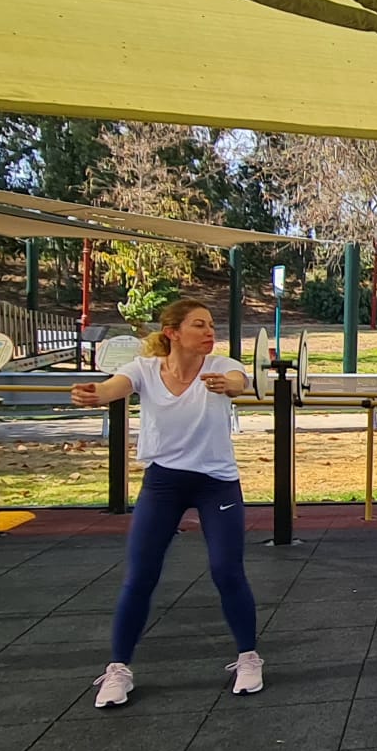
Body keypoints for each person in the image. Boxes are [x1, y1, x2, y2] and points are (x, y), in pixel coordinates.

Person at [74, 299, 263, 708]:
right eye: (199, 325)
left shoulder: (220, 365)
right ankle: (118, 669)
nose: (209, 331)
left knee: (226, 571)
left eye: (212, 325)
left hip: (217, 483)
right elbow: (113, 388)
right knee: (140, 575)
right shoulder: (143, 370)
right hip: (163, 482)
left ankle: (248, 658)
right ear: (173, 332)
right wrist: (96, 394)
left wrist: (228, 386)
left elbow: (238, 382)